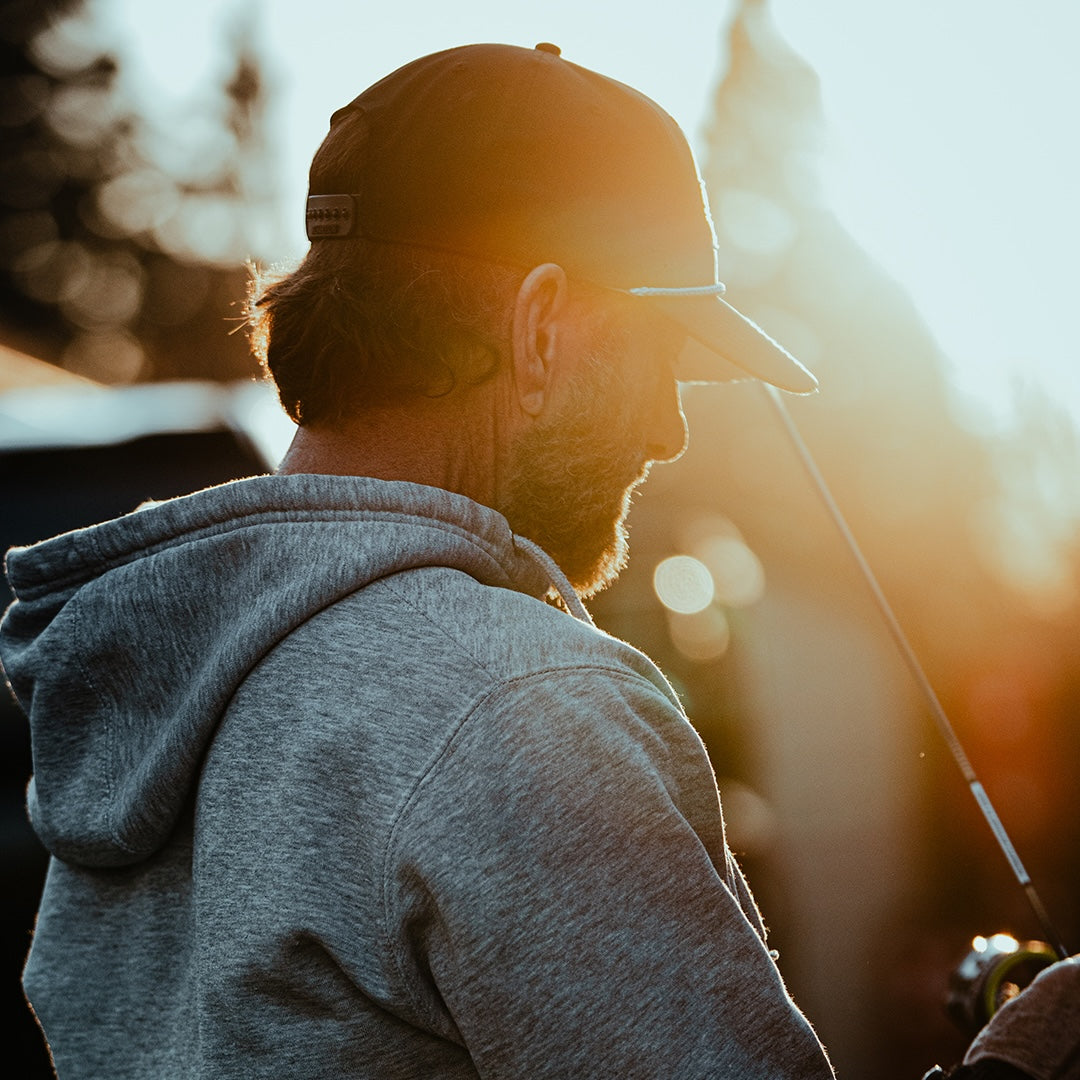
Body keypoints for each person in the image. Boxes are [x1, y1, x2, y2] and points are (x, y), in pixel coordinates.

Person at [0, 41, 1073, 1080]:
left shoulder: (146, 698)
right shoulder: (520, 701)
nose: (669, 432)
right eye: (660, 360)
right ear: (542, 329)